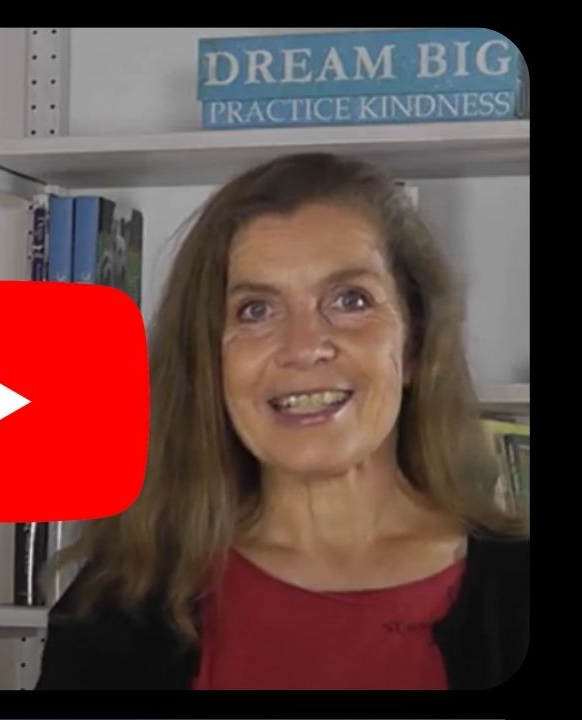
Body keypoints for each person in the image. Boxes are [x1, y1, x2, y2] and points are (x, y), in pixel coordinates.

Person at [34, 152, 528, 690]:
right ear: (211, 362)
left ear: (414, 345)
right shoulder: (113, 612)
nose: (303, 347)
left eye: (351, 300)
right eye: (256, 310)